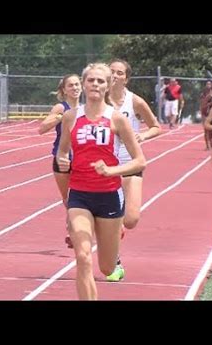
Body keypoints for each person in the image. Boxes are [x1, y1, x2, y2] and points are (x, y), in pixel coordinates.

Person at [57, 62, 146, 300]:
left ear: (108, 86)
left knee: (106, 268)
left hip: (108, 196)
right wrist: (63, 160)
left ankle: (114, 244)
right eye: (91, 80)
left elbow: (140, 162)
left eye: (100, 81)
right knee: (83, 256)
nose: (95, 84)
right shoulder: (70, 117)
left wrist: (112, 170)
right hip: (79, 195)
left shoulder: (117, 119)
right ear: (84, 84)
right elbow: (62, 151)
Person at [105, 58, 161, 282]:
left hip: (130, 164)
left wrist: (143, 135)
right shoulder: (99, 101)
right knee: (114, 220)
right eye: (112, 72)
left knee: (131, 219)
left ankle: (117, 225)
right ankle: (115, 262)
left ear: (126, 78)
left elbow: (156, 126)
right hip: (107, 168)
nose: (115, 76)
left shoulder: (135, 101)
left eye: (119, 73)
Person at [38, 74, 82, 248]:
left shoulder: (88, 108)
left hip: (81, 158)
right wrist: (61, 117)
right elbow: (42, 129)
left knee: (79, 196)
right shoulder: (60, 107)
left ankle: (73, 231)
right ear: (64, 90)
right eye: (71, 85)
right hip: (62, 157)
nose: (75, 88)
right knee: (68, 199)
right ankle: (72, 227)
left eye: (77, 84)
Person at [199, 80, 212, 150]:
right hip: (205, 113)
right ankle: (207, 146)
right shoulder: (203, 94)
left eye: (209, 84)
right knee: (206, 130)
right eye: (207, 84)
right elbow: (202, 104)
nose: (208, 85)